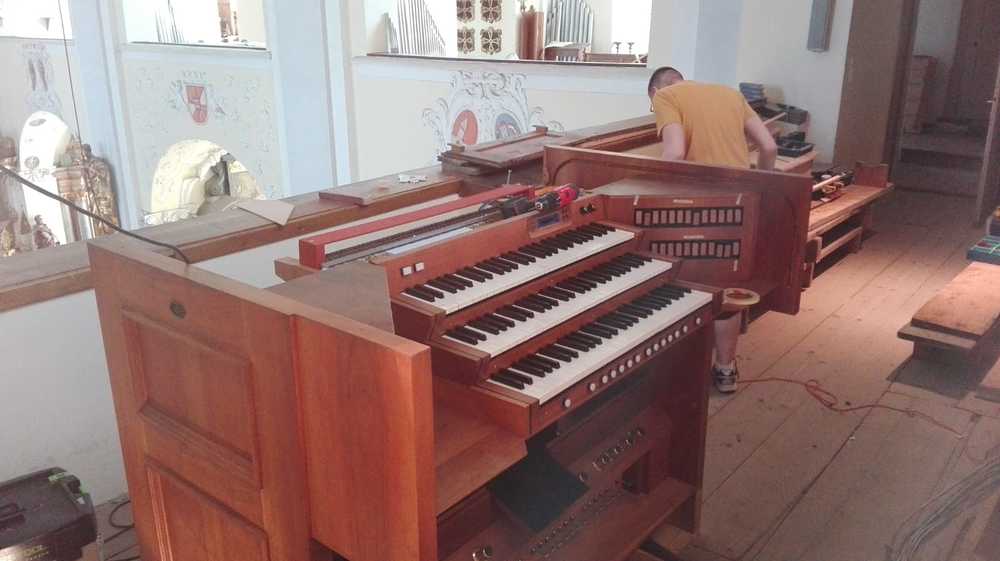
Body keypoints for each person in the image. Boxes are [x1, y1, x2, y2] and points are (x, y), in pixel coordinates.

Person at [647, 66, 778, 393]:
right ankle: (725, 371)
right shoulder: (731, 94)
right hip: (740, 201)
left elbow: (675, 152)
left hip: (698, 204)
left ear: (656, 90)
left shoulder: (666, 96)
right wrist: (762, 185)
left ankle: (680, 372)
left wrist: (658, 196)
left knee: (682, 283)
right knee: (726, 289)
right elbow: (769, 148)